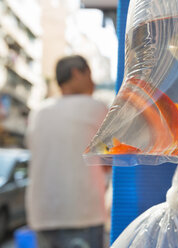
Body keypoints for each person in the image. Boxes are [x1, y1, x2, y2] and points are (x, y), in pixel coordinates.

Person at [26, 55, 108, 248]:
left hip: (42, 215)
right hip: (82, 213)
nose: (93, 81)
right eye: (89, 74)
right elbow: (110, 161)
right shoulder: (96, 108)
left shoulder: (37, 112)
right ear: (76, 73)